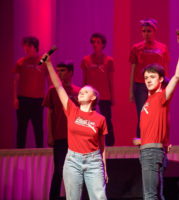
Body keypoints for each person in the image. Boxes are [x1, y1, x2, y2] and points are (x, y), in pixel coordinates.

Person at [43, 54, 108, 200]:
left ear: (93, 98)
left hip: (94, 161)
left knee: (99, 197)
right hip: (73, 160)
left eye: (85, 92)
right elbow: (58, 87)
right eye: (80, 92)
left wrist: (104, 168)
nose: (80, 93)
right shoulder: (72, 110)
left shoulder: (100, 119)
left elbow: (102, 147)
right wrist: (48, 65)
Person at [133, 33, 179, 199]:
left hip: (151, 152)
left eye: (152, 77)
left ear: (161, 79)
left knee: (150, 196)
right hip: (150, 149)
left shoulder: (161, 96)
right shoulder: (149, 101)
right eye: (146, 77)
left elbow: (177, 76)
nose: (148, 80)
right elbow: (164, 121)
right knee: (156, 195)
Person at [43, 61, 80, 200]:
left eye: (63, 70)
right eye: (58, 71)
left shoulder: (78, 91)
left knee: (76, 169)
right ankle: (53, 196)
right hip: (59, 136)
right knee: (59, 169)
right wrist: (50, 135)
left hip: (75, 137)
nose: (59, 73)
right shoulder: (53, 90)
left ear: (70, 72)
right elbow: (50, 113)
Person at [129, 18, 170, 138]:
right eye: (144, 31)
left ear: (154, 31)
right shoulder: (136, 48)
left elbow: (165, 67)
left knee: (157, 114)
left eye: (149, 31)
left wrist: (166, 87)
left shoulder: (162, 48)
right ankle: (142, 141)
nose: (146, 34)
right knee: (143, 114)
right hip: (141, 85)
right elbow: (133, 70)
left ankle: (157, 140)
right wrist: (131, 91)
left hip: (158, 86)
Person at [13, 36, 48, 148]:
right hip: (23, 99)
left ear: (35, 47)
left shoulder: (42, 61)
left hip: (38, 100)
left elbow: (49, 79)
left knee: (38, 128)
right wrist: (15, 98)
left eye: (29, 46)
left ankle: (40, 152)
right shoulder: (21, 62)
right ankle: (18, 154)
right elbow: (16, 81)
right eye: (25, 46)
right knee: (21, 128)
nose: (26, 48)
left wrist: (49, 97)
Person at [81, 33, 115, 146]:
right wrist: (82, 97)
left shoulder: (109, 60)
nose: (95, 44)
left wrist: (112, 96)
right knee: (90, 120)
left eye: (98, 42)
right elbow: (84, 80)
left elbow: (111, 80)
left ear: (103, 44)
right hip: (91, 96)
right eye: (93, 42)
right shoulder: (86, 60)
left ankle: (110, 145)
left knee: (107, 120)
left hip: (105, 95)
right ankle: (91, 143)